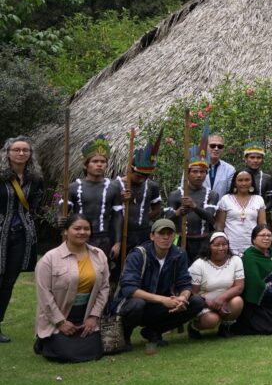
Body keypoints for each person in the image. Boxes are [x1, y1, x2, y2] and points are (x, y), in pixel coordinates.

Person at [116, 219, 206, 352]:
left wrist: (182, 297)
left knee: (197, 302)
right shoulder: (138, 254)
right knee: (137, 304)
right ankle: (125, 336)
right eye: (161, 233)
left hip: (161, 304)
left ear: (174, 236)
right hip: (134, 304)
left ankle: (153, 331)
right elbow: (129, 289)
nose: (166, 237)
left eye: (169, 234)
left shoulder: (179, 254)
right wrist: (163, 300)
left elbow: (185, 283)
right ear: (152, 236)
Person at [33, 214, 109, 362]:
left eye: (86, 229)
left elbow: (104, 288)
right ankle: (44, 341)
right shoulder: (49, 259)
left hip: (86, 315)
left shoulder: (99, 255)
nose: (82, 232)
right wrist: (60, 322)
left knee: (96, 351)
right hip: (59, 314)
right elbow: (44, 294)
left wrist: (94, 316)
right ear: (66, 231)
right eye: (77, 228)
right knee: (67, 354)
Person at [1, 135, 45, 343]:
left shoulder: (35, 179)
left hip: (22, 236)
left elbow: (36, 206)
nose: (20, 153)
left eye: (25, 150)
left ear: (30, 154)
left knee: (9, 281)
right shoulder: (1, 176)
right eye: (16, 150)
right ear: (7, 153)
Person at [64, 136, 122, 259]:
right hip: (79, 236)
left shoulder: (113, 187)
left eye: (103, 162)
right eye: (95, 161)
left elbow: (118, 216)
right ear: (86, 165)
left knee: (101, 273)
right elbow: (62, 213)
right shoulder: (73, 187)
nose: (99, 165)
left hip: (104, 238)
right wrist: (60, 218)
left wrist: (117, 242)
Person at [165, 145, 221, 263]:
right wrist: (177, 213)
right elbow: (166, 219)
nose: (199, 175)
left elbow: (211, 218)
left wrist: (194, 206)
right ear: (187, 173)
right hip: (182, 241)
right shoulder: (175, 195)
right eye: (195, 172)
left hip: (204, 241)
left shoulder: (212, 195)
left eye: (202, 172)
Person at [187, 232, 245, 338]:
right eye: (216, 245)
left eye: (224, 244)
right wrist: (211, 304)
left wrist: (221, 299)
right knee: (212, 320)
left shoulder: (236, 260)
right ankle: (193, 327)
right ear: (209, 247)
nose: (221, 248)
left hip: (225, 301)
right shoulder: (199, 264)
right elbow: (193, 293)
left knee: (237, 301)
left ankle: (225, 327)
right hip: (204, 303)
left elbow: (239, 287)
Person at [122, 133, 163, 260]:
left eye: (146, 176)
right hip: (122, 233)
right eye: (139, 176)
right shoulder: (116, 185)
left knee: (142, 262)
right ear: (131, 170)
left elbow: (157, 209)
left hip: (143, 233)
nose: (142, 179)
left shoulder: (152, 186)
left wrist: (143, 219)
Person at [215, 170, 267, 256]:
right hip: (230, 246)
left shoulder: (258, 199)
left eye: (247, 180)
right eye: (240, 180)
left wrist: (262, 244)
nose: (244, 183)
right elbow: (219, 227)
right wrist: (221, 246)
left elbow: (262, 225)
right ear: (235, 182)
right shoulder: (226, 199)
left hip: (253, 245)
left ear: (252, 182)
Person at [240, 142, 272, 216]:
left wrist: (259, 212)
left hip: (261, 216)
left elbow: (271, 201)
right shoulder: (239, 176)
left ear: (262, 160)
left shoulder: (267, 178)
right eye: (252, 157)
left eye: (258, 158)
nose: (255, 160)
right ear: (245, 159)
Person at [206, 133, 235, 199]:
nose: (216, 148)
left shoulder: (230, 169)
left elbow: (231, 194)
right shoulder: (193, 166)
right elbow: (184, 190)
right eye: (212, 145)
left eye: (220, 146)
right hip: (196, 207)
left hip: (220, 208)